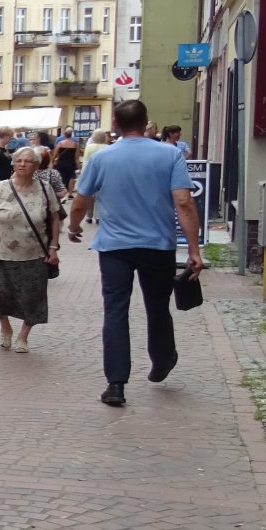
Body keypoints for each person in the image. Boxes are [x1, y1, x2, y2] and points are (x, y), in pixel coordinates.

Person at [67, 100, 204, 408]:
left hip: (114, 247)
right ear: (145, 122)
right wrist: (194, 249)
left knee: (115, 310)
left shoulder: (101, 158)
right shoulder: (170, 154)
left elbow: (80, 201)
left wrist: (74, 227)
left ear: (115, 123)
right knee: (157, 306)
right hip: (158, 245)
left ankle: (116, 384)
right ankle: (163, 358)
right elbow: (184, 202)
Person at [0, 148, 59, 354]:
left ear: (36, 166)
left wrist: (53, 247)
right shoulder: (0, 189)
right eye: (19, 160)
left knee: (33, 298)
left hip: (35, 254)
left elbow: (54, 219)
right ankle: (6, 328)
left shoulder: (45, 188)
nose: (22, 164)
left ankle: (23, 336)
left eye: (28, 161)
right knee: (0, 297)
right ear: (13, 164)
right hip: (3, 254)